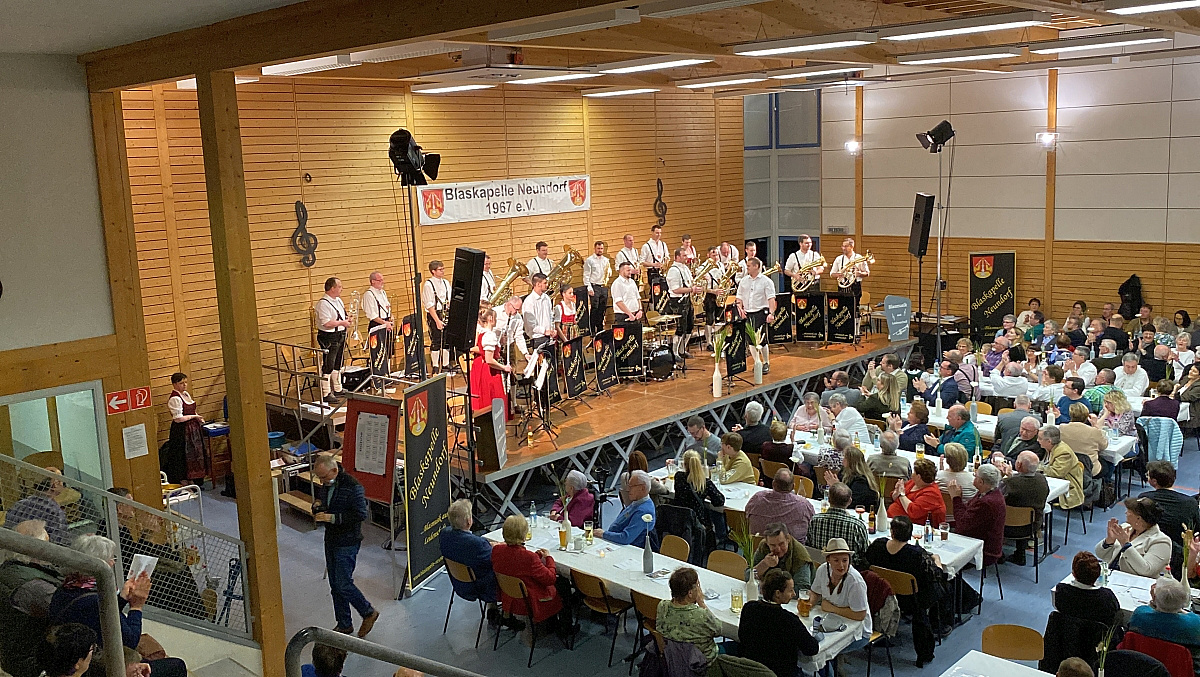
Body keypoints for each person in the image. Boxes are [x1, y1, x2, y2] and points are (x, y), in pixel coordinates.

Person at [49, 535, 187, 677]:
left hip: (73, 660)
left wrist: (121, 599)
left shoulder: (65, 590)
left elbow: (99, 619)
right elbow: (130, 641)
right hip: (97, 669)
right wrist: (136, 607)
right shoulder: (95, 601)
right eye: (109, 559)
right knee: (176, 665)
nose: (113, 562)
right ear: (98, 565)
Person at [311, 454, 379, 637]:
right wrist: (318, 505)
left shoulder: (353, 487)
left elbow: (360, 514)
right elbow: (323, 498)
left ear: (334, 470)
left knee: (343, 583)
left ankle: (368, 612)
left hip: (347, 541)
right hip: (331, 539)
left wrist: (332, 518)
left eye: (324, 477)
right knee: (335, 585)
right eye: (319, 478)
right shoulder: (328, 483)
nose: (322, 481)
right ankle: (344, 624)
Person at [866, 516, 942, 667]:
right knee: (937, 589)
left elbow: (867, 563)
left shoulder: (877, 546)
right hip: (910, 601)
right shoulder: (916, 555)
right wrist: (937, 561)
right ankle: (928, 646)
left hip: (882, 596)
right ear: (910, 533)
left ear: (892, 531)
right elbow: (936, 575)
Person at [438, 499, 514, 629]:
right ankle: (507, 616)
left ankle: (492, 610)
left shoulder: (444, 534)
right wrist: (501, 547)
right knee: (509, 570)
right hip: (480, 586)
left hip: (458, 583)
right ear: (469, 521)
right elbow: (496, 560)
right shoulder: (477, 544)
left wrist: (489, 546)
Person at [0, 520, 63, 677]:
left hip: (16, 655)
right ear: (35, 549)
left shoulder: (10, 569)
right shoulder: (33, 583)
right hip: (31, 662)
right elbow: (65, 609)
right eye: (47, 544)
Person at [491, 514, 572, 633]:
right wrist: (549, 559)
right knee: (563, 583)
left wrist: (536, 556)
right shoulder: (529, 557)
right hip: (531, 601)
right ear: (524, 534)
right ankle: (566, 627)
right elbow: (550, 579)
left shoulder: (497, 550)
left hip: (510, 598)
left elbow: (517, 565)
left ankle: (552, 622)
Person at [737, 568, 820, 677]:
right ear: (777, 593)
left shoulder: (749, 607)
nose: (794, 594)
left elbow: (741, 636)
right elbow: (812, 649)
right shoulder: (789, 620)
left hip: (748, 670)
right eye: (790, 590)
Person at [807, 538, 872, 658]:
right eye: (836, 560)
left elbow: (860, 615)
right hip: (830, 621)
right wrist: (809, 604)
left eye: (845, 560)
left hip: (857, 631)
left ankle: (832, 666)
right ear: (828, 560)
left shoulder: (855, 581)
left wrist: (831, 608)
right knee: (810, 642)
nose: (841, 565)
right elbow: (815, 592)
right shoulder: (823, 570)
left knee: (821, 651)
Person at [1139, 461, 1200, 575]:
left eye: (1148, 475)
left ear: (1154, 481)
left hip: (1148, 551)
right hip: (1179, 556)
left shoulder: (1145, 499)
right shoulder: (1190, 502)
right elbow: (1197, 530)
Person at [1128, 576, 1200, 672]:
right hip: (1181, 671)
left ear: (1154, 597)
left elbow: (1147, 609)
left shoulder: (1140, 615)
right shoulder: (1195, 623)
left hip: (1143, 669)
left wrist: (1154, 601)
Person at [656, 567, 723, 667]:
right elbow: (718, 630)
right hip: (700, 664)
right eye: (697, 586)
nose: (699, 589)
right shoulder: (701, 615)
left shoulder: (663, 606)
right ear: (690, 593)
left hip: (673, 661)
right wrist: (701, 603)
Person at [1095, 497, 1171, 578]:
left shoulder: (1161, 541)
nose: (1125, 513)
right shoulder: (1125, 527)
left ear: (1138, 518)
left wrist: (1126, 545)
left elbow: (1147, 570)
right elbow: (1099, 554)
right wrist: (1109, 541)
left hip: (1138, 581)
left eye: (1129, 511)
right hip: (1113, 575)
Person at [949, 464, 1006, 565]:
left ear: (981, 482)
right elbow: (968, 514)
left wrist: (956, 498)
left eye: (975, 476)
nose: (974, 478)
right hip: (980, 538)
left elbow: (962, 525)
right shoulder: (989, 493)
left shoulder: (987, 502)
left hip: (985, 550)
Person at [1001, 450, 1050, 565]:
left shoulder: (1009, 483)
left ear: (1018, 465)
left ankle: (997, 553)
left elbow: (997, 497)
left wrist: (1005, 477)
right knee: (1024, 512)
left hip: (1006, 526)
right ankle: (1020, 553)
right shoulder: (1042, 480)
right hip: (1032, 525)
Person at [159, 372, 208, 484]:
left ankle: (194, 479)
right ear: (175, 384)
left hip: (193, 428)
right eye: (181, 383)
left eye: (186, 382)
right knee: (183, 455)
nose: (185, 385)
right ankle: (184, 481)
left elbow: (192, 410)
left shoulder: (186, 394)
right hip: (182, 430)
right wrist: (194, 417)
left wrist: (198, 418)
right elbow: (178, 418)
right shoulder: (175, 399)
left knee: (195, 454)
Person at [672, 451, 726, 551]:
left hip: (679, 518)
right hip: (697, 520)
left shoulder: (678, 477)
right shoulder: (705, 483)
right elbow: (719, 501)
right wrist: (707, 495)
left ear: (684, 464)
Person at [806, 483, 869, 567]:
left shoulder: (815, 520)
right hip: (848, 569)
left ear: (828, 499)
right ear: (850, 501)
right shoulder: (857, 526)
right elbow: (865, 553)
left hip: (819, 566)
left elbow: (809, 546)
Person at [1052, 551, 1121, 628]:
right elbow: (1116, 612)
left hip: (1069, 633)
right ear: (1098, 574)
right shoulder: (1107, 597)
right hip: (1097, 634)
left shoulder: (1062, 591)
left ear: (1073, 573)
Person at [746, 468, 814, 543]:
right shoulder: (803, 505)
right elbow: (812, 523)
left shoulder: (757, 498)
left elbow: (747, 514)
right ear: (793, 487)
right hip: (791, 549)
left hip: (756, 546)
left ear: (773, 484)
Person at [3, 469, 69, 545]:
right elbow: (60, 541)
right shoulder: (55, 512)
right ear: (55, 485)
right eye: (61, 481)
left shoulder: (18, 505)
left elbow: (7, 530)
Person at [735, 257, 777, 374]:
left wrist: (771, 313)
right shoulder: (744, 281)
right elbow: (739, 297)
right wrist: (740, 310)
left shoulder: (766, 281)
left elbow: (771, 299)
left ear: (756, 266)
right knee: (750, 340)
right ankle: (757, 361)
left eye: (749, 266)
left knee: (761, 339)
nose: (747, 268)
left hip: (760, 312)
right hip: (747, 313)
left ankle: (766, 362)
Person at [314, 277, 352, 402]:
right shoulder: (323, 304)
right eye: (339, 286)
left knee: (337, 363)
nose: (342, 289)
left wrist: (347, 319)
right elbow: (326, 323)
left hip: (340, 334)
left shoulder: (338, 300)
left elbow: (340, 317)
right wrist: (342, 323)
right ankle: (326, 392)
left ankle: (338, 388)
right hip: (329, 337)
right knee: (328, 364)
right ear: (332, 288)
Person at [471, 309, 511, 421]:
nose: (496, 320)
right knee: (494, 399)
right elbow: (489, 359)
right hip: (489, 371)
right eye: (495, 318)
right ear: (490, 319)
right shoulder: (489, 335)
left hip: (482, 368)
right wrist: (504, 367)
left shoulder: (483, 333)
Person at [598, 470, 656, 547]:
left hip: (628, 548)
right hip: (615, 541)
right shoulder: (637, 502)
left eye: (631, 486)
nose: (628, 490)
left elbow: (626, 538)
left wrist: (603, 534)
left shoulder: (644, 511)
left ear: (642, 488)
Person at [751, 523, 814, 592]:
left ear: (788, 539)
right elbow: (747, 576)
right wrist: (764, 564)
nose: (778, 549)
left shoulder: (800, 555)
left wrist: (770, 590)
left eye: (781, 544)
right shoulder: (763, 547)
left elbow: (802, 589)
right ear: (767, 542)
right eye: (773, 545)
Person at [666, 247, 702, 359]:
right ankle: (675, 352)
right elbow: (675, 289)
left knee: (689, 326)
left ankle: (682, 350)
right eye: (684, 255)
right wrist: (692, 289)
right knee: (680, 328)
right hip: (678, 302)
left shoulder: (685, 268)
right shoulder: (673, 271)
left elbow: (690, 283)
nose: (686, 257)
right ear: (677, 257)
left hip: (687, 300)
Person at [1039, 425, 1086, 511]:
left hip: (1068, 488)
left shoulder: (1064, 452)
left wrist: (1038, 467)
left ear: (1049, 441)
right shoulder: (1049, 448)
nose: (1037, 440)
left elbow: (1056, 473)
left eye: (1040, 438)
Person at [889, 458, 947, 527]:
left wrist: (901, 495)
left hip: (907, 526)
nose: (912, 474)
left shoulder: (932, 493)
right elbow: (895, 498)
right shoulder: (913, 482)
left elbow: (913, 511)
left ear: (919, 476)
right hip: (893, 519)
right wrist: (896, 493)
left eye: (914, 472)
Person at [1060, 403, 1108, 478]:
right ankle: (1107, 483)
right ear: (1087, 416)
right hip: (1089, 468)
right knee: (1106, 464)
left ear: (1070, 415)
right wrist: (1095, 426)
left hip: (1068, 466)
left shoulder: (1062, 428)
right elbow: (1104, 446)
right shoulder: (1094, 431)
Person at [420, 262, 453, 373]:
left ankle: (446, 364)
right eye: (440, 269)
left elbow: (449, 298)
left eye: (443, 269)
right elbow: (429, 305)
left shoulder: (446, 282)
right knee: (436, 340)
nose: (443, 271)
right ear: (433, 271)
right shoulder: (428, 285)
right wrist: (437, 321)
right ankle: (435, 365)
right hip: (435, 314)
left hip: (445, 312)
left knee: (446, 340)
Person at [362, 271, 395, 372]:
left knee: (388, 351)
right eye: (379, 280)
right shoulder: (369, 295)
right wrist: (385, 324)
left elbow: (387, 307)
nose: (382, 282)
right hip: (377, 325)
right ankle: (379, 375)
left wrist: (391, 317)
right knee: (379, 353)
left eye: (382, 280)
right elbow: (372, 315)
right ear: (373, 281)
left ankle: (387, 373)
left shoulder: (382, 292)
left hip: (386, 323)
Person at [829, 238, 869, 306]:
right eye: (842, 246)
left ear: (852, 247)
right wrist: (838, 274)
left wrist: (859, 274)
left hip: (855, 286)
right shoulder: (839, 259)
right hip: (842, 286)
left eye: (846, 246)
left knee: (854, 307)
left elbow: (867, 273)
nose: (843, 248)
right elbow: (832, 274)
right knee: (842, 306)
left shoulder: (859, 258)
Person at [522, 273, 557, 349]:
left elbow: (551, 315)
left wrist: (552, 329)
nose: (547, 285)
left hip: (549, 336)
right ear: (538, 284)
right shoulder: (529, 301)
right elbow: (531, 324)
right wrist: (544, 331)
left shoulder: (546, 298)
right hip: (537, 338)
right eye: (545, 283)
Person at [582, 240, 612, 331]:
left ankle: (600, 328)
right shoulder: (589, 260)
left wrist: (609, 272)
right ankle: (592, 329)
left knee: (602, 308)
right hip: (594, 286)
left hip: (603, 286)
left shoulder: (606, 260)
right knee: (595, 308)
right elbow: (586, 275)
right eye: (598, 248)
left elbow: (609, 273)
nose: (600, 250)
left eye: (601, 248)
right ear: (595, 249)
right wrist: (589, 288)